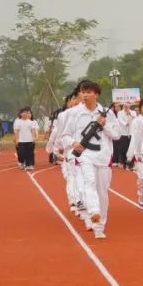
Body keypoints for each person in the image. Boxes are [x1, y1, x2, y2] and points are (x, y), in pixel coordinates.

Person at [58, 81, 119, 239]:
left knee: (102, 191)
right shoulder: (74, 113)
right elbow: (64, 135)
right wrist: (73, 143)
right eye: (83, 92)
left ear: (96, 94)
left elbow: (117, 135)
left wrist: (104, 125)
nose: (85, 95)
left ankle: (99, 226)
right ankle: (93, 211)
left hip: (103, 156)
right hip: (84, 155)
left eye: (88, 92)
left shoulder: (106, 113)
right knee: (88, 182)